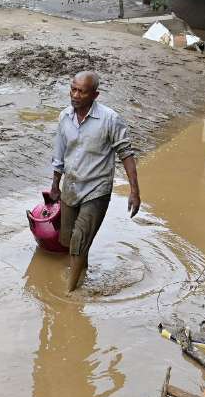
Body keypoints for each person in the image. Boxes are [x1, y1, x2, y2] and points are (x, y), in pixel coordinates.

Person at [48, 71, 141, 292]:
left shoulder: (110, 119)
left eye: (82, 91)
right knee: (69, 240)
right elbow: (59, 153)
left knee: (79, 240)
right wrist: (55, 184)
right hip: (70, 186)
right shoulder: (65, 117)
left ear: (95, 95)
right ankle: (83, 274)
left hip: (96, 189)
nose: (76, 95)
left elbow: (126, 154)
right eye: (73, 89)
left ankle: (70, 293)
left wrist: (134, 191)